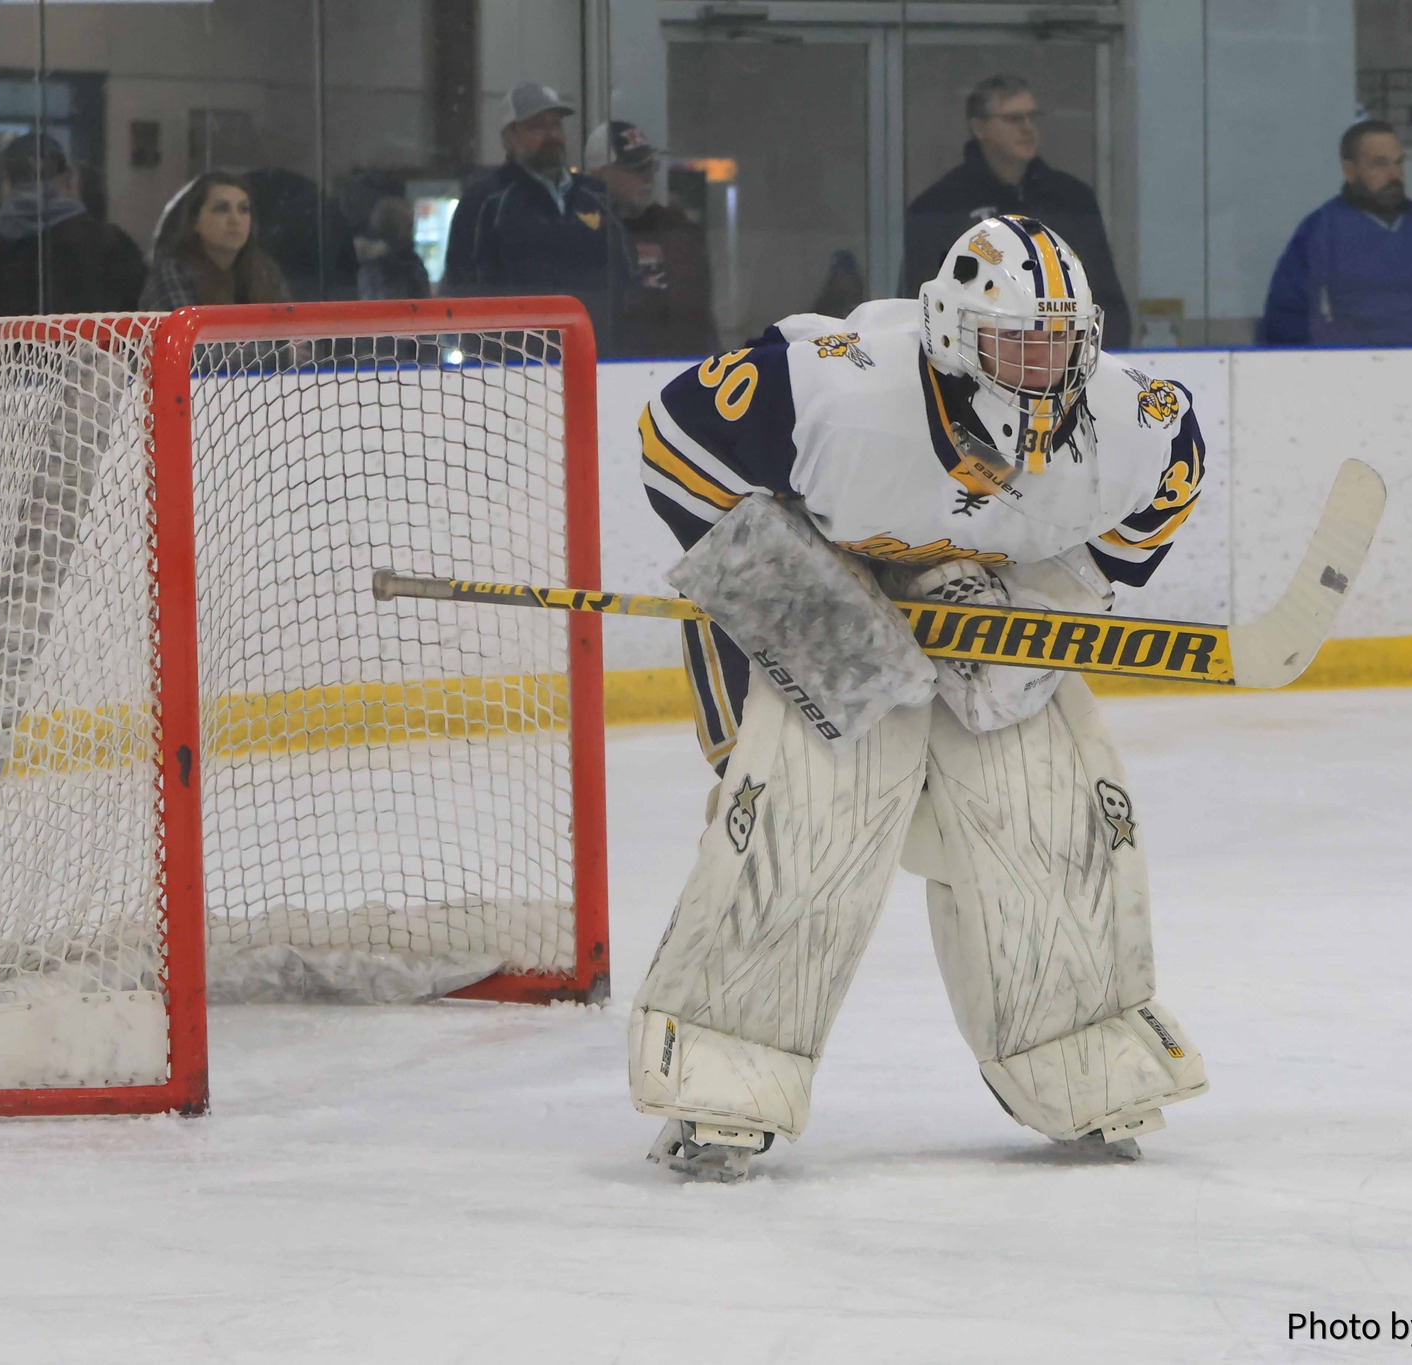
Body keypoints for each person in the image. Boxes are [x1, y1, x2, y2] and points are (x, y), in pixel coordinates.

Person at [632, 215, 1210, 1180]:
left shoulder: (1134, 420)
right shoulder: (831, 384)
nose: (1039, 366)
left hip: (989, 597)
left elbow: (1153, 507)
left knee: (1046, 818)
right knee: (810, 826)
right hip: (829, 587)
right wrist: (811, 609)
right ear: (949, 332)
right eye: (1013, 342)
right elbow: (675, 446)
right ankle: (723, 1083)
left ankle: (1083, 1060)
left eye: (1058, 343)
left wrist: (1042, 601)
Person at [902, 75, 1130, 349]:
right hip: (973, 361)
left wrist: (1094, 354)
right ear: (978, 127)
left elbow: (1104, 294)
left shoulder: (1071, 198)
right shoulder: (940, 205)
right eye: (1013, 119)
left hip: (1065, 358)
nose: (1028, 128)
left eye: (1032, 117)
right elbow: (921, 302)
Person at [1260, 119, 1412, 347]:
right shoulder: (1321, 231)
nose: (1394, 175)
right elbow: (1286, 319)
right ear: (1350, 171)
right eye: (1380, 164)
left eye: (1399, 163)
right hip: (1355, 372)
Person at [444, 81, 634, 349]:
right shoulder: (484, 202)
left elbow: (626, 274)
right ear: (508, 138)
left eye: (555, 124)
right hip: (513, 368)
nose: (551, 135)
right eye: (536, 126)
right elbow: (461, 289)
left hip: (597, 360)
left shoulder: (597, 197)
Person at [0, 134, 146, 362]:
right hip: (93, 384)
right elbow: (136, 328)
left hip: (8, 385)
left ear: (7, 185)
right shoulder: (111, 243)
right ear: (70, 180)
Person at [585, 119, 715, 357]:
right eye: (635, 167)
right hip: (613, 374)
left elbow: (699, 319)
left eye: (649, 166)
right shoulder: (585, 236)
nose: (647, 177)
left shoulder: (676, 230)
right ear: (600, 175)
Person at [139, 173, 289, 309]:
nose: (235, 220)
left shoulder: (265, 270)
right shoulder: (173, 272)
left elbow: (295, 334)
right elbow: (191, 337)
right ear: (194, 222)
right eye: (221, 209)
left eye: (243, 209)